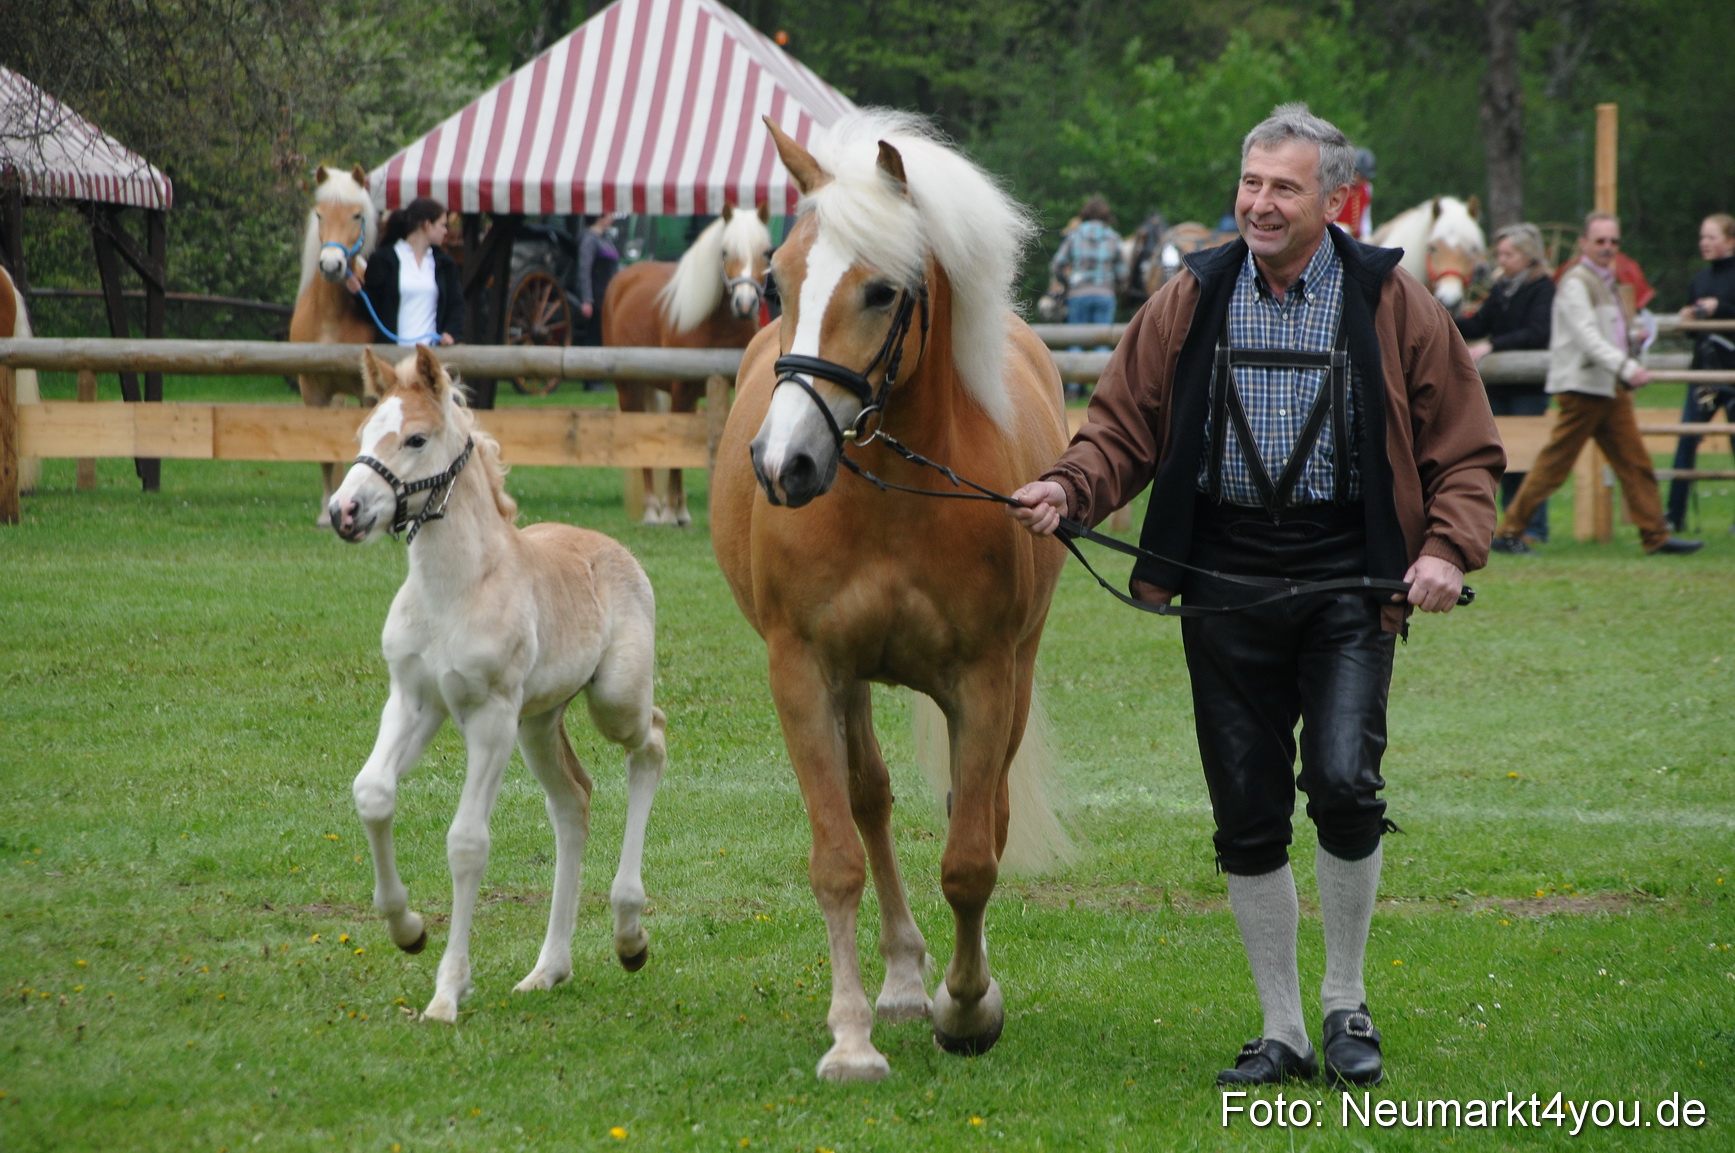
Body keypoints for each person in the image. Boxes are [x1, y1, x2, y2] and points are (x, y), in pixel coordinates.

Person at [1010, 104, 1503, 1088]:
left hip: (1348, 579)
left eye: (1284, 187)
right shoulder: (1190, 297)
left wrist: (1447, 549)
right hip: (1223, 581)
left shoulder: (1392, 301)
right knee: (1245, 812)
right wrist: (1068, 486)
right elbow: (1121, 428)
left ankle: (1344, 1004)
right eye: (1250, 185)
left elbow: (1464, 447)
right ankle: (1280, 1027)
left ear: (1330, 199)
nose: (1261, 204)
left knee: (1343, 781)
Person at [1492, 213, 1702, 555]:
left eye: (1613, 242)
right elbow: (1587, 337)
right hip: (1582, 387)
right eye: (1600, 241)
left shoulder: (1604, 280)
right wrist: (1626, 366)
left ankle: (1655, 535)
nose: (1607, 248)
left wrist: (1635, 338)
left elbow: (1607, 333)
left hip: (1606, 385)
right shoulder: (1577, 281)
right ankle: (1510, 530)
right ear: (1584, 244)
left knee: (1633, 462)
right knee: (1554, 466)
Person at [1456, 223, 1556, 542]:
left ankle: (1533, 527)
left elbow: (1539, 332)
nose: (1502, 260)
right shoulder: (1502, 289)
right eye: (1500, 253)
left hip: (1529, 386)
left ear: (1528, 256)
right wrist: (1444, 315)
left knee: (1528, 458)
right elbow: (1479, 324)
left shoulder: (1543, 288)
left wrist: (1493, 346)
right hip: (1499, 387)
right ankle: (1506, 525)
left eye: (1508, 254)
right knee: (1502, 458)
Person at [1665, 213, 1735, 531]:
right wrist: (1689, 317)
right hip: (1703, 375)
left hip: (1732, 373)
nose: (1704, 243)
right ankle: (1674, 516)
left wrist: (1719, 309)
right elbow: (1695, 331)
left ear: (1730, 241)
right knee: (1687, 441)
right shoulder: (1700, 279)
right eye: (1702, 237)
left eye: (1712, 237)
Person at [354, 198, 464, 347]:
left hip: (429, 358)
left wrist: (450, 333)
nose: (446, 231)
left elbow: (456, 306)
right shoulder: (383, 260)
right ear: (426, 225)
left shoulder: (445, 264)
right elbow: (371, 312)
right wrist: (357, 292)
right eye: (442, 225)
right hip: (392, 357)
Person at [1050, 196, 1126, 329]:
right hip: (1105, 293)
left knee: (1075, 341)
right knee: (1103, 342)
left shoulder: (1074, 236)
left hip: (1077, 293)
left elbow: (1056, 265)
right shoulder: (1114, 238)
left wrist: (1067, 283)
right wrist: (1115, 287)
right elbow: (1123, 273)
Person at [573, 213, 622, 343]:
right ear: (599, 217)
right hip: (597, 297)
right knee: (595, 335)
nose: (612, 217)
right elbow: (584, 270)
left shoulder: (604, 239)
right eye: (608, 214)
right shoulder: (589, 239)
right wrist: (587, 300)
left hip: (605, 295)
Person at [1333, 147, 1375, 241]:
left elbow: (1365, 217)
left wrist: (1367, 234)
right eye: (1361, 177)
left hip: (1355, 240)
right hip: (1334, 235)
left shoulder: (1367, 188)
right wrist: (1337, 226)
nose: (1364, 181)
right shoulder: (1337, 185)